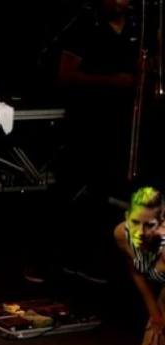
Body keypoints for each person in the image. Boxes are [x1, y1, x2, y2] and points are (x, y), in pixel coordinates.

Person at [51, 0, 139, 284]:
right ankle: (58, 260)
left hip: (120, 123)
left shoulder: (137, 28)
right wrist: (112, 81)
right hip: (86, 121)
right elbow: (65, 75)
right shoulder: (85, 25)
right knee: (75, 189)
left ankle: (92, 259)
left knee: (105, 192)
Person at [72, 186, 165, 345]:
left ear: (161, 223)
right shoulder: (122, 234)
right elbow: (136, 270)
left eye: (150, 225)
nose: (141, 232)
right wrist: (154, 313)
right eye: (136, 222)